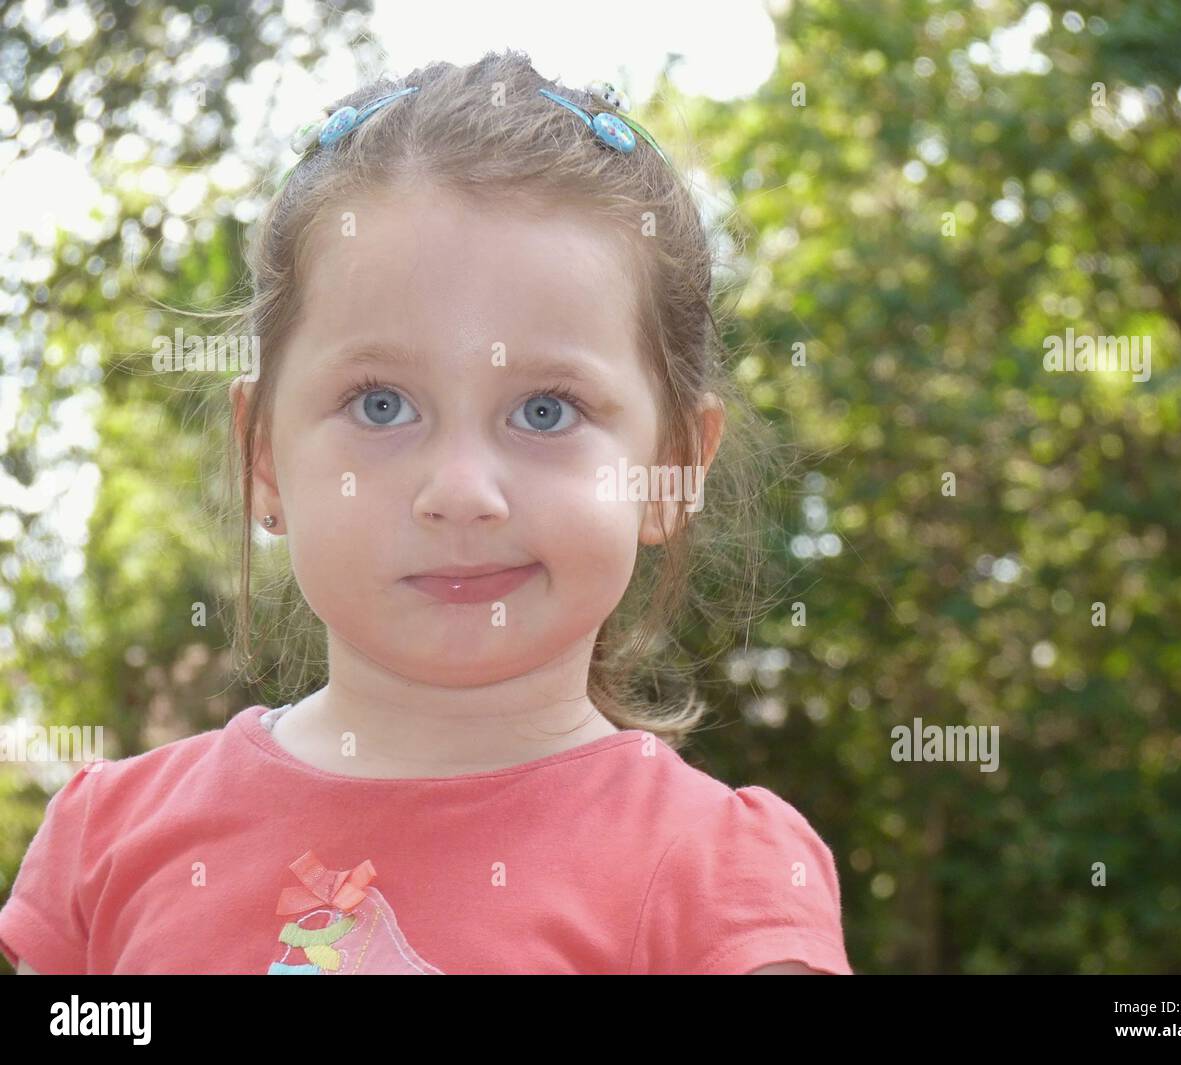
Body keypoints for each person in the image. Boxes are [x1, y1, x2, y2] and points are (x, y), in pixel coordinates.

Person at [0, 50, 852, 975]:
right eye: (380, 404)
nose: (460, 492)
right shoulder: (108, 847)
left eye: (545, 410)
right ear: (266, 459)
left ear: (669, 468)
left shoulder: (726, 888)